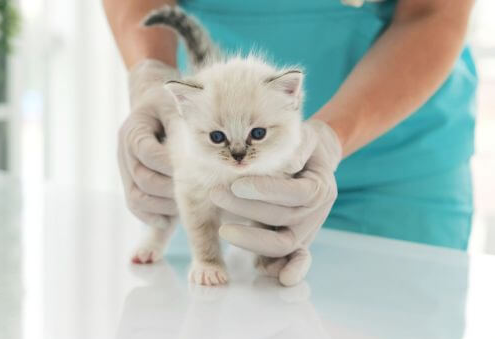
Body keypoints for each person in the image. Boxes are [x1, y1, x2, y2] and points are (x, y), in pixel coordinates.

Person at [104, 0, 476, 276]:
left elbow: (433, 12)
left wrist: (332, 136)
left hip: (397, 166)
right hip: (214, 158)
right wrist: (150, 72)